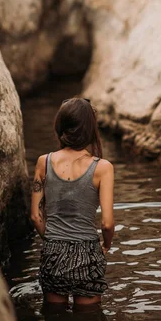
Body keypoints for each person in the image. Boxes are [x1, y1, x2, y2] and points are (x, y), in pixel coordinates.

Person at [31, 97, 115, 308]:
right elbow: (107, 223)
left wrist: (52, 239)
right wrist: (106, 245)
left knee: (54, 319)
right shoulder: (103, 167)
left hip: (53, 251)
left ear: (61, 126)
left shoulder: (44, 162)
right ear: (90, 129)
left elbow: (35, 215)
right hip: (87, 252)